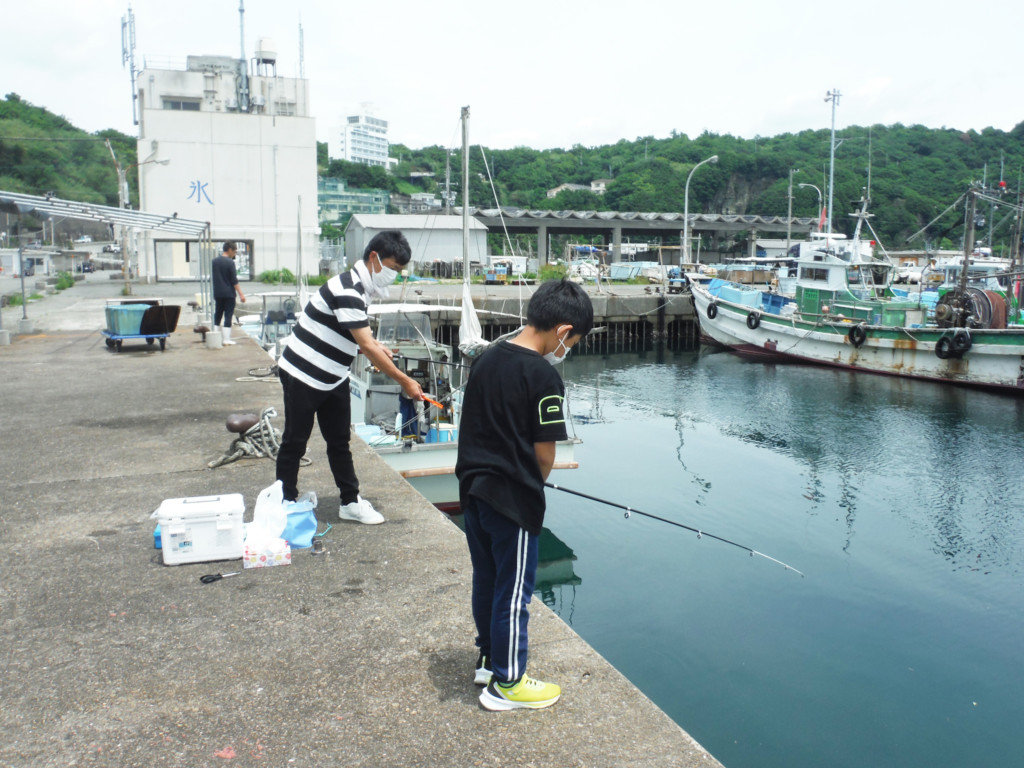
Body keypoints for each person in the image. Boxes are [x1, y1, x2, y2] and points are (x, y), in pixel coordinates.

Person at [455, 278, 594, 711]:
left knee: (487, 579)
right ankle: (508, 683)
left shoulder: (486, 357)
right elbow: (545, 456)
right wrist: (531, 488)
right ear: (564, 331)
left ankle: (489, 659)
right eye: (573, 342)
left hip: (472, 490)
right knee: (514, 591)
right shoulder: (543, 377)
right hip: (511, 501)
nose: (566, 350)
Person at [275, 230, 423, 525]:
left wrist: (376, 346)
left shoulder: (360, 289)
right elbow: (366, 345)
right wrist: (405, 381)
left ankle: (350, 502)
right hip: (303, 373)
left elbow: (357, 335)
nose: (393, 275)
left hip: (332, 374)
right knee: (295, 441)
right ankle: (284, 503)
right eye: (392, 268)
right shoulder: (347, 289)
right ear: (373, 258)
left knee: (340, 441)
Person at [212, 241, 246, 345]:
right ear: (230, 250)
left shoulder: (214, 261)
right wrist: (241, 294)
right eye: (235, 251)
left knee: (217, 314)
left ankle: (215, 337)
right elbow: (234, 280)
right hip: (229, 293)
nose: (234, 254)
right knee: (228, 315)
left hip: (218, 292)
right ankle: (226, 339)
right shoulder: (230, 262)